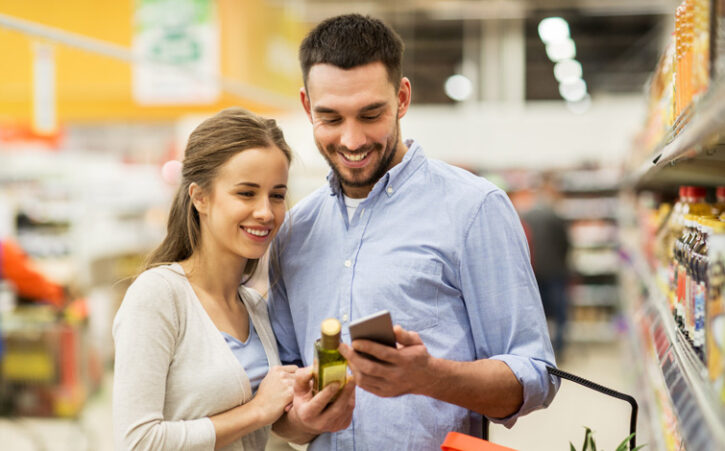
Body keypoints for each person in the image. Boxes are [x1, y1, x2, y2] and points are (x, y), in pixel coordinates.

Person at [267, 14, 559, 450]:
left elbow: (536, 376)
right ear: (307, 107)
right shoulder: (294, 231)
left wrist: (431, 376)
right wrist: (302, 421)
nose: (351, 140)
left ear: (402, 98)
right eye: (330, 118)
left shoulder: (474, 209)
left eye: (371, 114)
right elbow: (285, 406)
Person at [113, 108, 304, 450]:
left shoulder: (257, 310)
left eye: (276, 195)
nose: (265, 212)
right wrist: (257, 411)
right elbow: (138, 441)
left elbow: (275, 427)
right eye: (246, 193)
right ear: (200, 197)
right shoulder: (158, 295)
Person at [520, 172, 571, 358]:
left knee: (536, 313)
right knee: (559, 314)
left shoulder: (525, 216)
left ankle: (539, 350)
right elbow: (565, 244)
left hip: (533, 272)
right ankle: (559, 348)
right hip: (555, 271)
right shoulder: (556, 216)